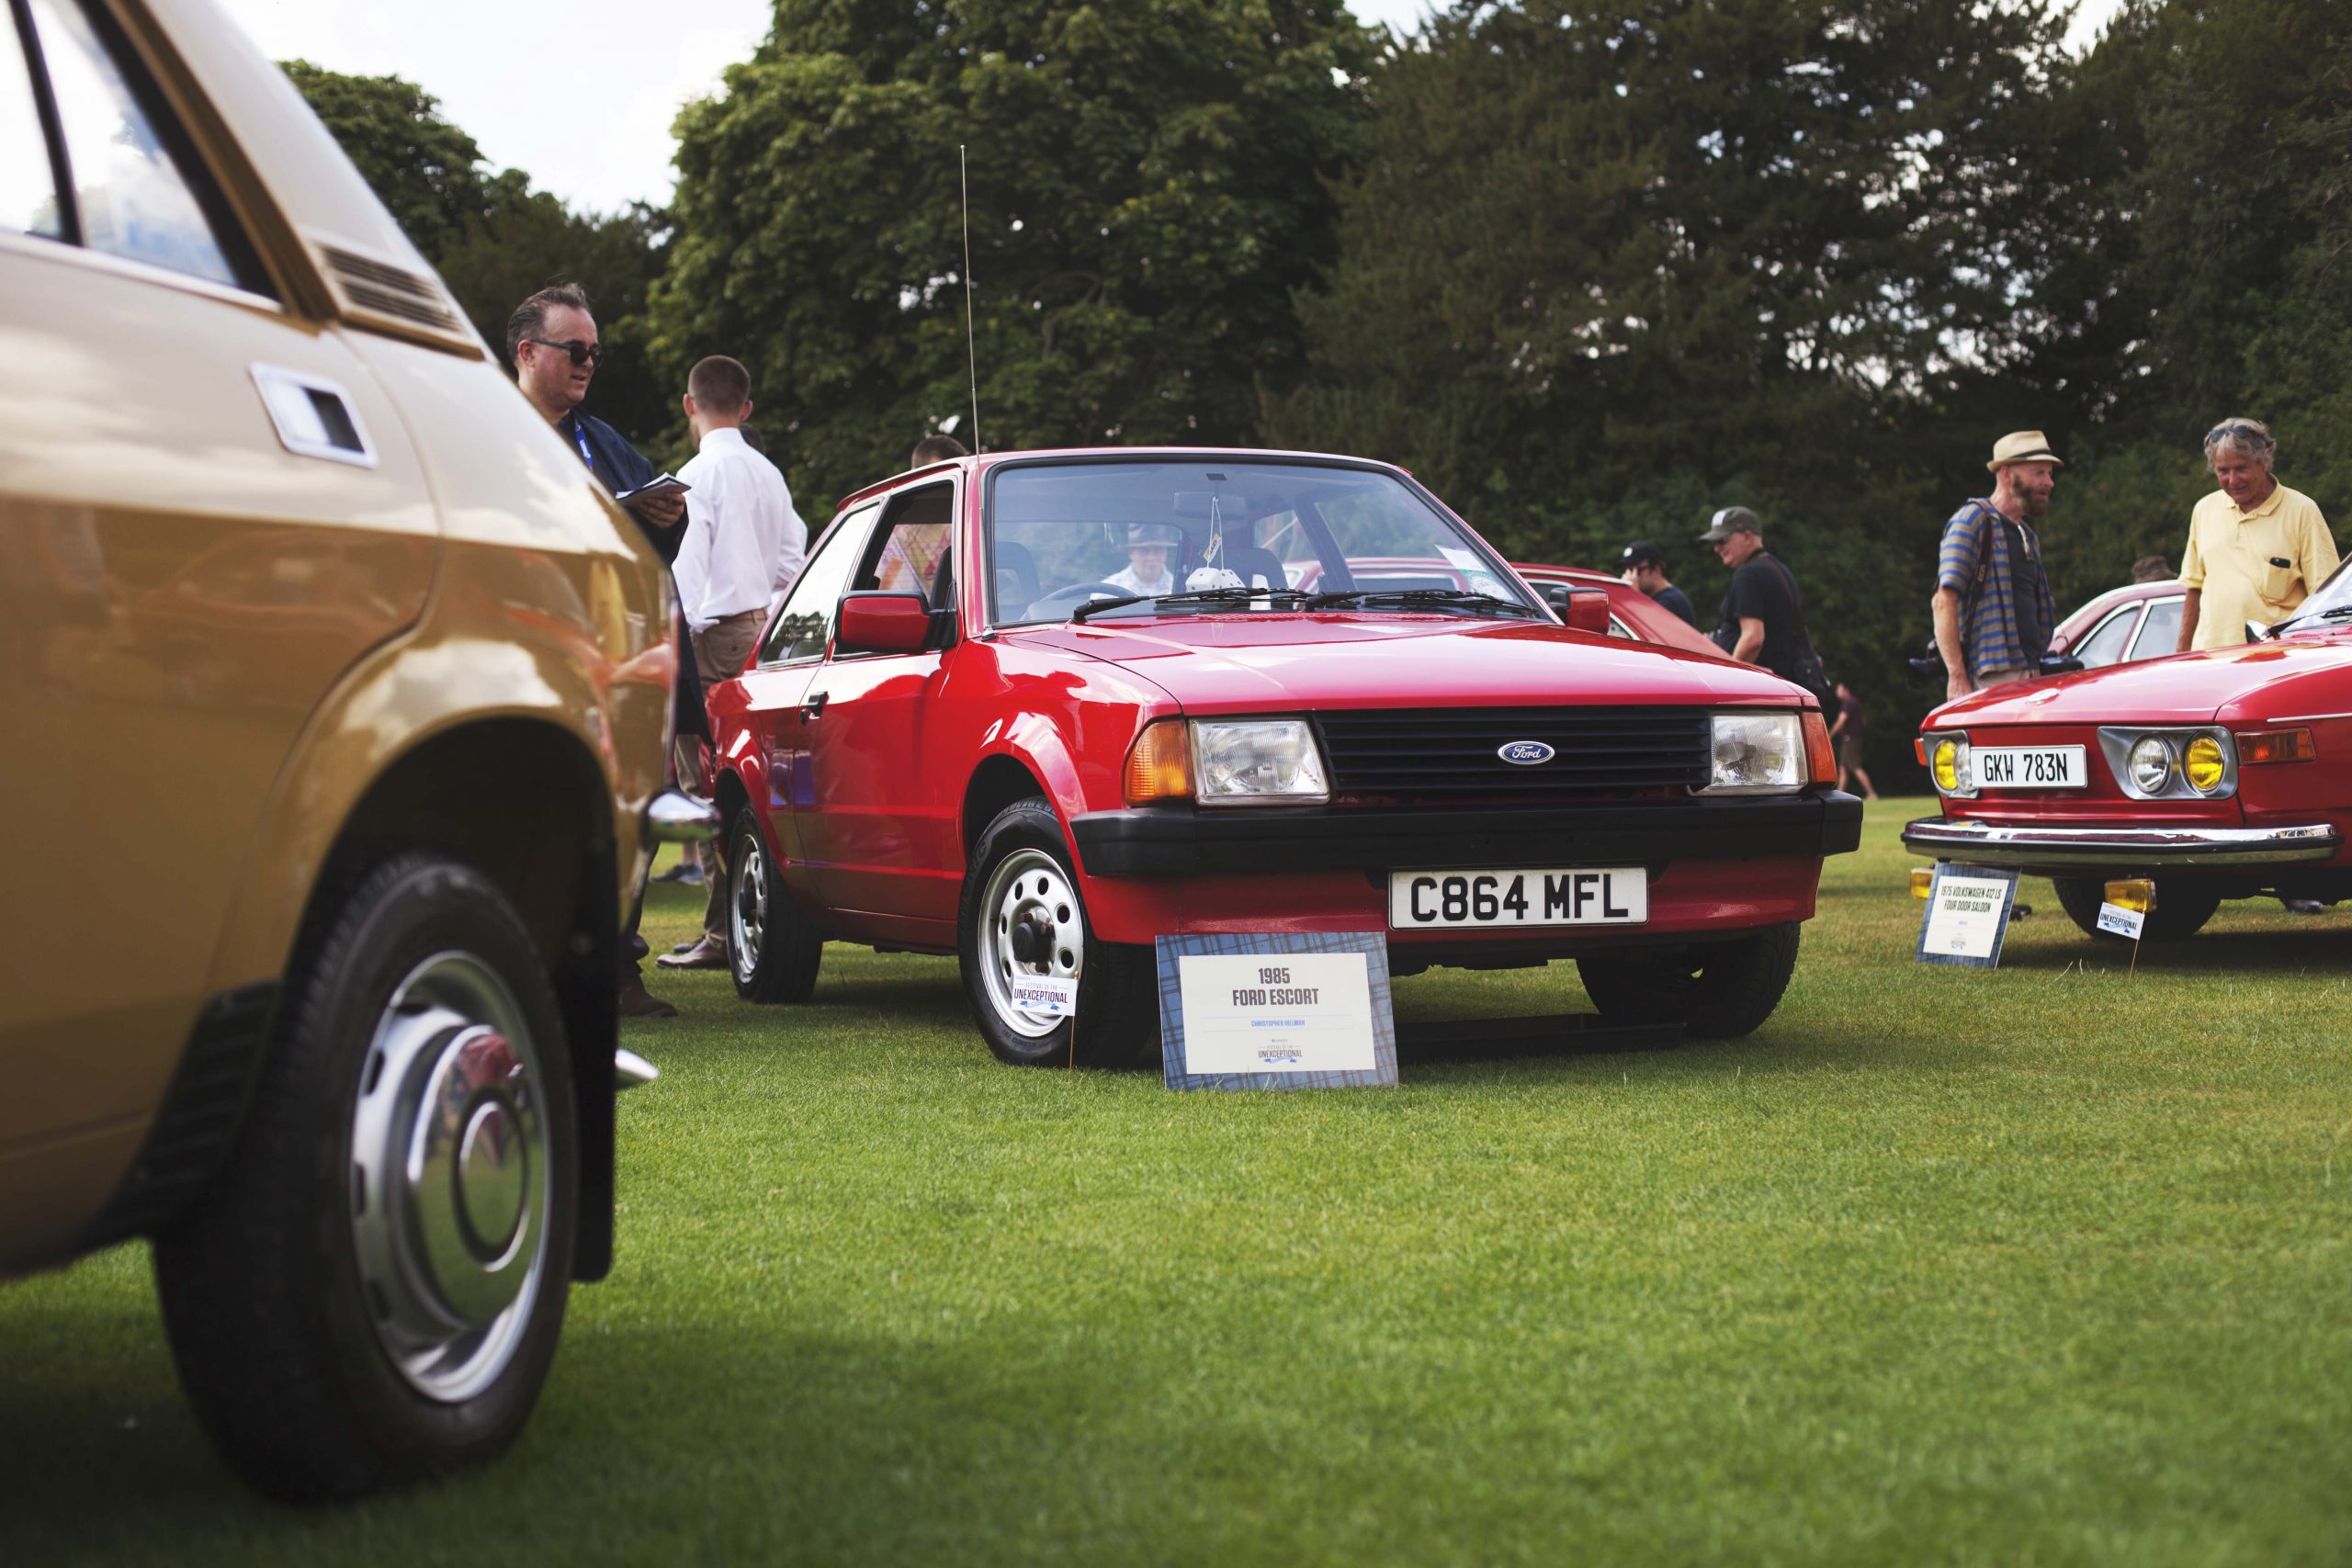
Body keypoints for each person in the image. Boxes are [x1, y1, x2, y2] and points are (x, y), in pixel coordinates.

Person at [508, 282, 697, 1019]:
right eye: (575, 350)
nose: (589, 364)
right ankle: (532, 970)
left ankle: (616, 970)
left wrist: (667, 514)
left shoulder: (602, 439)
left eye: (595, 353)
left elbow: (650, 545)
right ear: (527, 353)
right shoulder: (487, 432)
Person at [660, 355, 809, 973]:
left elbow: (685, 575)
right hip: (759, 636)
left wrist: (682, 653)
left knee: (707, 786)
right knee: (747, 781)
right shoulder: (770, 474)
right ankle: (735, 927)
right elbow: (791, 564)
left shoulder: (694, 475)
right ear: (746, 408)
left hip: (707, 638)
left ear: (689, 405)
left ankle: (725, 935)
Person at [2175, 418, 2339, 652]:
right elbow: (2194, 588)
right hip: (2212, 660)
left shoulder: (2302, 511)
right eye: (2223, 471)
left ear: (2264, 462)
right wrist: (2182, 654)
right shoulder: (2204, 510)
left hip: (2280, 661)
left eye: (2241, 468)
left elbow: (2326, 599)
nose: (2233, 480)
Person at [1930, 430, 2062, 704]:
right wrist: (1957, 677)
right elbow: (1943, 602)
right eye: (2038, 472)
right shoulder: (1973, 521)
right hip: (1990, 678)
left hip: (2031, 674)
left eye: (2049, 474)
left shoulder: (2026, 533)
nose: (2049, 482)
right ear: (2005, 474)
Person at [1695, 506, 1808, 682]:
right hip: (1785, 683)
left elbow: (1753, 638)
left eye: (1722, 540)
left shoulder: (1748, 575)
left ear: (1747, 537)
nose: (1716, 548)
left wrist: (1727, 680)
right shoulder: (1777, 568)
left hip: (1764, 688)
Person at [1619, 540, 1698, 626]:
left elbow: (1644, 630)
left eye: (1636, 570)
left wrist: (1634, 597)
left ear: (1656, 570)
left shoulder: (1669, 602)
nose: (1630, 577)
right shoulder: (1656, 600)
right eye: (1626, 571)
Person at [1828, 682, 1877, 799]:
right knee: (1843, 768)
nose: (1837, 692)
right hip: (1854, 738)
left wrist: (1829, 735)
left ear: (1846, 690)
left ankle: (1872, 794)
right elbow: (1863, 721)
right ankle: (1839, 795)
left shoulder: (1848, 703)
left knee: (1855, 767)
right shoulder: (1855, 702)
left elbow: (1841, 721)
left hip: (1850, 739)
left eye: (1839, 689)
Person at [1105, 526, 1177, 596]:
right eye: (1144, 550)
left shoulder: (1181, 589)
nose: (1151, 557)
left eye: (1158, 550)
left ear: (1166, 552)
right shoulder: (1109, 591)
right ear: (1131, 553)